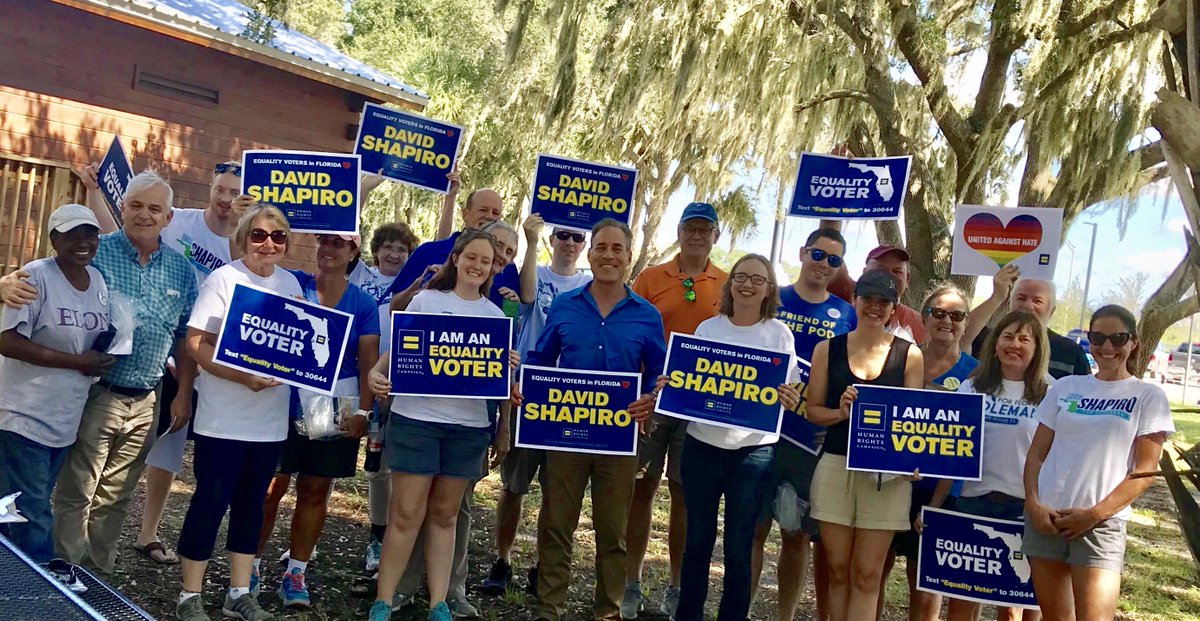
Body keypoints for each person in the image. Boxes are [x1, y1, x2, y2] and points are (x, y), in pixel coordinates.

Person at [1, 170, 200, 572]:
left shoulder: (181, 270)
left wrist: (183, 392)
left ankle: (97, 575)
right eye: (136, 205)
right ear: (122, 208)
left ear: (168, 217)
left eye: (154, 209)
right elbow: (36, 277)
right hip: (96, 392)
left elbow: (184, 335)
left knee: (117, 495)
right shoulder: (94, 251)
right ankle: (62, 572)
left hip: (147, 399)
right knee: (76, 491)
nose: (144, 215)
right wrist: (3, 283)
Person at [518, 218, 665, 621]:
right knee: (556, 525)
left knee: (613, 532)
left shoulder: (647, 315)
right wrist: (526, 385)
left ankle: (608, 611)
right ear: (590, 252)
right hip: (565, 436)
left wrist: (651, 397)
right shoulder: (565, 305)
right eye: (601, 247)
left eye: (617, 249)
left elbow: (657, 372)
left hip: (619, 441)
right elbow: (542, 358)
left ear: (629, 257)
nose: (608, 255)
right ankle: (549, 609)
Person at [366, 230, 515, 621]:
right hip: (416, 421)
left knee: (446, 516)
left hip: (467, 428)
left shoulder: (496, 317)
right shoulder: (427, 300)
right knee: (405, 514)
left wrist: (504, 417)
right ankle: (384, 600)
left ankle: (438, 604)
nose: (477, 265)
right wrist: (375, 375)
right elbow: (395, 351)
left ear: (493, 267)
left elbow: (501, 385)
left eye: (486, 261)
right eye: (471, 257)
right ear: (456, 258)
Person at [174, 204, 302, 621]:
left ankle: (238, 593)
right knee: (209, 504)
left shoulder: (291, 285)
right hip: (222, 420)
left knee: (252, 508)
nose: (268, 244)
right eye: (259, 235)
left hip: (269, 424)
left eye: (278, 236)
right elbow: (196, 344)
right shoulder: (223, 279)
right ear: (244, 238)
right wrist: (242, 377)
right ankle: (189, 596)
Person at [673, 253, 802, 621]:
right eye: (741, 277)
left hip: (753, 455)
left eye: (758, 279)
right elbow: (689, 382)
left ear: (769, 289)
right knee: (697, 542)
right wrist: (674, 384)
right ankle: (688, 615)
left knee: (739, 548)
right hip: (701, 448)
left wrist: (790, 397)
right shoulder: (707, 329)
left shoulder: (779, 334)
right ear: (730, 285)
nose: (748, 285)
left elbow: (791, 389)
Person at [1023, 305, 1173, 621]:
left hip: (1101, 524)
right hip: (1048, 519)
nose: (1107, 347)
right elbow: (1036, 454)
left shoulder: (1148, 396)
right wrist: (1033, 503)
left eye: (1117, 339)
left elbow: (1144, 472)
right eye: (1098, 337)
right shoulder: (1066, 387)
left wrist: (1093, 515)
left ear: (1133, 342)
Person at [255, 233, 380, 607]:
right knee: (269, 487)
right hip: (283, 401)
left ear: (353, 251)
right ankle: (250, 566)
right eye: (324, 242)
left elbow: (368, 362)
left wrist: (364, 412)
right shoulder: (292, 284)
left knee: (314, 489)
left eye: (338, 244)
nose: (328, 249)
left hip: (336, 406)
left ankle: (296, 573)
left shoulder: (363, 303)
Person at [624, 202, 725, 619]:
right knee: (640, 488)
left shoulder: (726, 282)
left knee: (685, 494)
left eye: (705, 230)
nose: (697, 236)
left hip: (698, 404)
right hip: (651, 398)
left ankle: (677, 586)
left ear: (715, 235)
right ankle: (630, 582)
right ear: (679, 232)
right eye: (690, 229)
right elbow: (632, 329)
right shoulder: (651, 277)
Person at [805, 270, 924, 621]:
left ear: (894, 308)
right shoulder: (827, 349)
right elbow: (813, 411)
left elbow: (914, 421)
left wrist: (917, 459)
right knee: (838, 569)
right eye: (867, 299)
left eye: (883, 301)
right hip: (835, 466)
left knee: (868, 574)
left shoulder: (909, 355)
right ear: (854, 301)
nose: (874, 307)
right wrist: (840, 413)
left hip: (887, 477)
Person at [0, 204, 114, 569]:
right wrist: (78, 362)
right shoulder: (35, 277)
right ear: (54, 239)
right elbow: (7, 341)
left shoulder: (97, 281)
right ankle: (37, 590)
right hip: (22, 416)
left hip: (64, 419)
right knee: (32, 513)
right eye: (72, 235)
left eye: (90, 234)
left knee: (15, 507)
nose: (83, 242)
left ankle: (11, 578)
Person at [482, 214, 590, 596]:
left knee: (556, 493)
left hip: (570, 399)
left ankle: (543, 566)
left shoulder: (590, 285)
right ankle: (502, 560)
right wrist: (530, 239)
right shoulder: (533, 273)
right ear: (552, 240)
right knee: (513, 486)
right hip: (526, 393)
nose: (569, 242)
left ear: (584, 244)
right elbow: (523, 304)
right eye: (562, 235)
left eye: (577, 237)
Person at [751, 227, 855, 621]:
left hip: (809, 440)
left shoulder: (846, 314)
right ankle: (741, 609)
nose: (824, 264)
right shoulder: (771, 298)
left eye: (834, 259)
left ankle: (786, 616)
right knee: (753, 530)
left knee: (796, 535)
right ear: (802, 253)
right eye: (818, 254)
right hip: (760, 432)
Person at [879, 284, 977, 621]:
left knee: (925, 582)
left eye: (956, 315)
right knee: (875, 568)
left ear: (966, 323)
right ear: (924, 317)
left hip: (945, 491)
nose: (947, 321)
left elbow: (971, 443)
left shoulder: (977, 374)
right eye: (938, 313)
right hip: (894, 481)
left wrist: (936, 502)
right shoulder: (900, 359)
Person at [946, 310, 1050, 621]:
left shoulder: (1051, 392)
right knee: (962, 598)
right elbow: (948, 444)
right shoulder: (972, 386)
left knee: (1013, 606)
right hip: (974, 501)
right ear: (995, 344)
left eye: (1024, 339)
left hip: (1025, 507)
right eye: (1007, 336)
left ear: (1037, 349)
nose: (1014, 344)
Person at [384, 185, 529, 311]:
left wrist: (512, 308)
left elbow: (511, 326)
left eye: (496, 213)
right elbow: (395, 310)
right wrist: (420, 285)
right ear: (455, 259)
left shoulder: (507, 270)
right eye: (483, 210)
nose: (489, 216)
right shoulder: (428, 252)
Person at [1006, 278, 1092, 379]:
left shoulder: (1071, 353)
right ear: (1010, 304)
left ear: (1051, 310)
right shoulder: (993, 343)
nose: (1028, 306)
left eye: (1037, 301)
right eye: (1021, 298)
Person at [350, 222, 420, 305]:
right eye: (388, 247)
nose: (394, 255)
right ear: (376, 250)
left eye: (401, 250)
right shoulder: (359, 272)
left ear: (409, 255)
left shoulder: (412, 285)